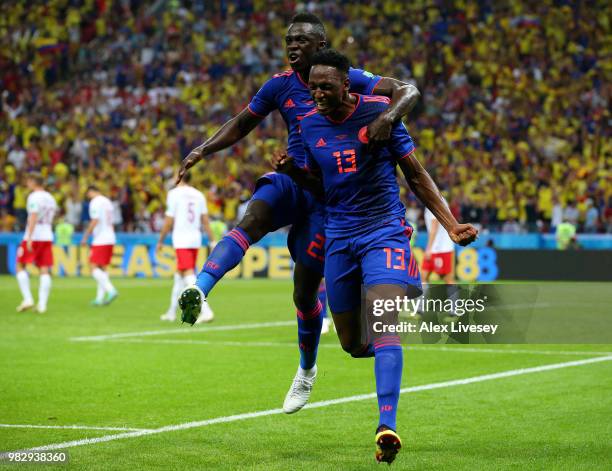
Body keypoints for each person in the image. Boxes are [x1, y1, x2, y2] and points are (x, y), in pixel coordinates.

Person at [176, 13, 421, 413]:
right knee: (253, 217)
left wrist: (387, 117)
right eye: (289, 40)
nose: (293, 47)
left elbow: (406, 91)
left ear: (321, 45)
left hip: (330, 199)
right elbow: (242, 123)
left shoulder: (348, 78)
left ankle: (307, 370)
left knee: (304, 293)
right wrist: (204, 149)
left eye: (302, 41)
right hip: (293, 178)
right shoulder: (279, 85)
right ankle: (200, 287)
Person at [273, 49, 477, 464]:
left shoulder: (379, 114)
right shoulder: (309, 125)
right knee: (352, 342)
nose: (316, 93)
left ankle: (387, 425)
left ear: (346, 85)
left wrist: (451, 224)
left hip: (383, 230)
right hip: (340, 236)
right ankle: (391, 343)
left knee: (383, 323)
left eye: (325, 86)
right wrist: (295, 174)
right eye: (312, 86)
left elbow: (415, 174)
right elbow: (321, 185)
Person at [156, 173, 215, 323]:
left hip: (181, 238)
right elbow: (205, 221)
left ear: (179, 178)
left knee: (189, 275)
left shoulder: (174, 194)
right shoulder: (199, 195)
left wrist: (161, 240)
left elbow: (169, 221)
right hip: (195, 238)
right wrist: (212, 240)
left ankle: (206, 311)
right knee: (179, 276)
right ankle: (171, 312)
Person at [15, 173, 57, 313]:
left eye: (28, 181)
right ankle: (42, 305)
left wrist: (30, 236)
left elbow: (33, 215)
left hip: (34, 236)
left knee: (20, 265)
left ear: (33, 181)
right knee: (44, 269)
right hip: (47, 235)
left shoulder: (34, 196)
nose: (27, 183)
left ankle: (28, 299)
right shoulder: (51, 198)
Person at [81, 186, 118, 306]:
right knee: (102, 268)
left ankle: (111, 290)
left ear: (91, 192)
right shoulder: (107, 202)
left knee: (93, 266)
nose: (88, 197)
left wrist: (86, 236)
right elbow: (111, 222)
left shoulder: (95, 202)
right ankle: (100, 298)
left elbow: (95, 220)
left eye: (88, 194)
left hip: (101, 239)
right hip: (110, 237)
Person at [422, 208, 455, 284]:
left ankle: (455, 296)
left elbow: (434, 227)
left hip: (441, 248)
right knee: (424, 276)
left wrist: (429, 248)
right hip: (438, 247)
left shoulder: (432, 205)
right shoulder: (437, 201)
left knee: (447, 279)